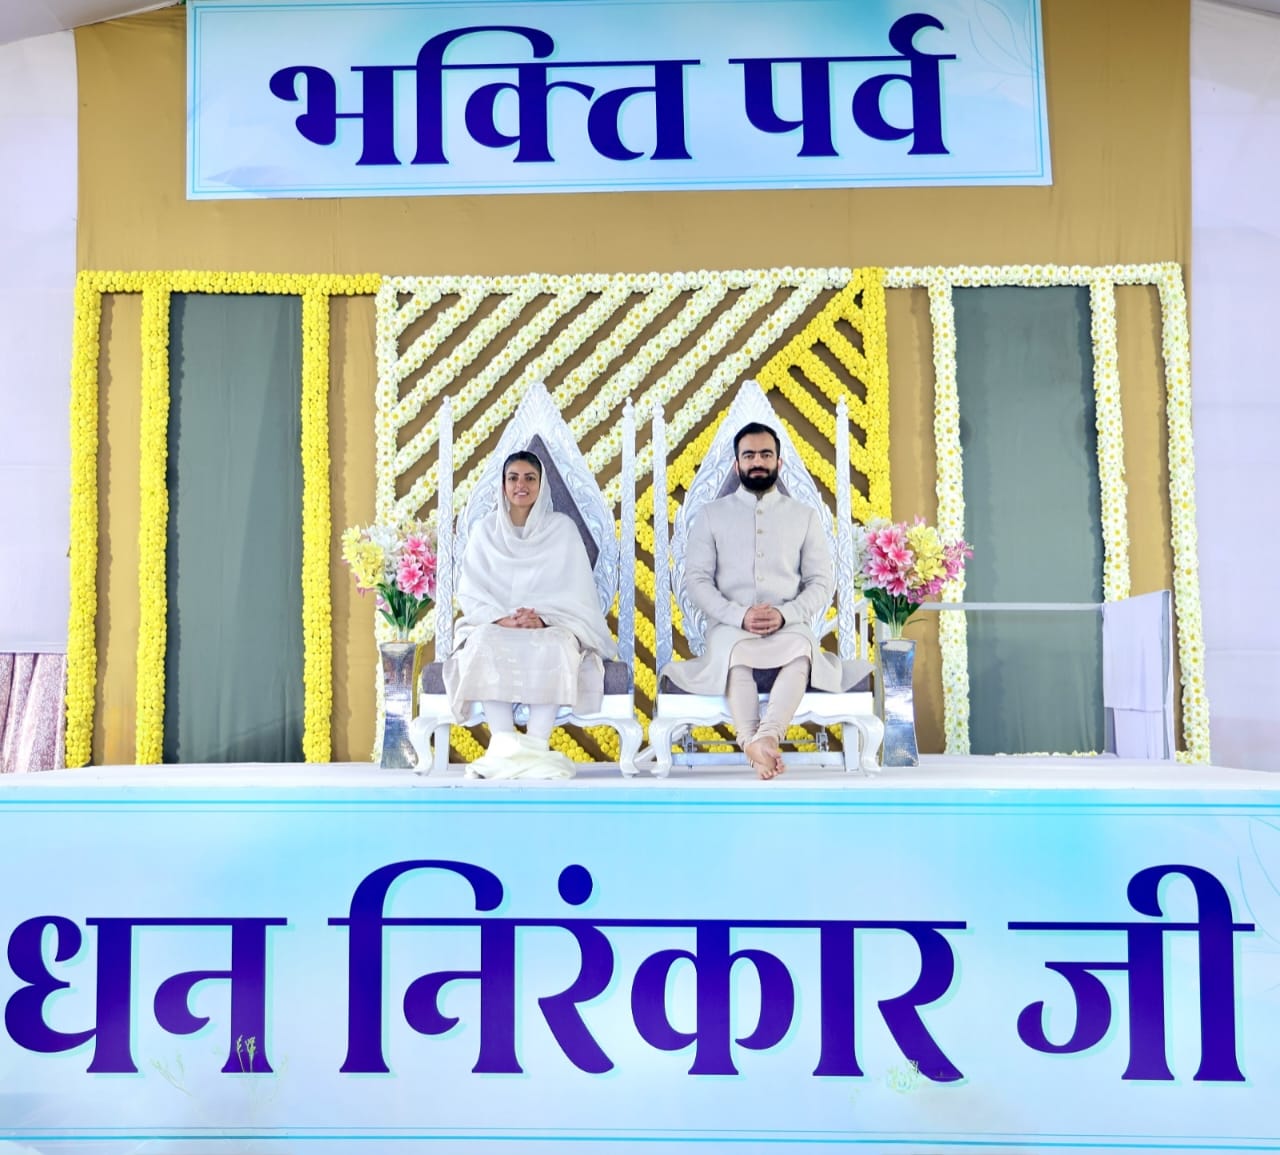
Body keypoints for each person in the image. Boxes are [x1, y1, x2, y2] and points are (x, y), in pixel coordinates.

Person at [662, 422, 870, 779]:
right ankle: (754, 741)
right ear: (736, 464)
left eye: (765, 454)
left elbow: (821, 582)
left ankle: (765, 737)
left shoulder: (804, 516)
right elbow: (696, 581)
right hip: (729, 627)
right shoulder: (711, 515)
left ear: (778, 461)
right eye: (749, 455)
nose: (757, 462)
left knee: (802, 648)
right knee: (735, 654)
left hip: (788, 626)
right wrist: (738, 615)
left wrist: (786, 614)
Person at [443, 449, 615, 779]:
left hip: (550, 624)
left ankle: (535, 745)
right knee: (483, 641)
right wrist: (501, 619)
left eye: (529, 478)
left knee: (558, 644)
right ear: (503, 485)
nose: (521, 485)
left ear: (541, 484)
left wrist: (544, 619)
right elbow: (471, 591)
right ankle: (503, 744)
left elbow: (577, 592)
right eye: (513, 478)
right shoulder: (485, 531)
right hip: (495, 623)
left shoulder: (562, 529)